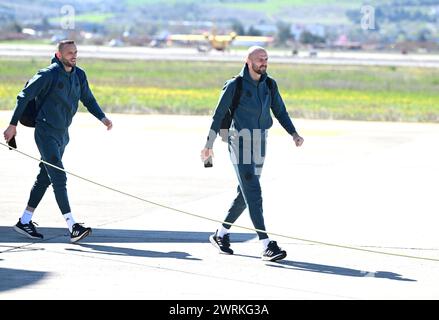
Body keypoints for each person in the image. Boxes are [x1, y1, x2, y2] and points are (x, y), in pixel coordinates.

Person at [3, 40, 113, 243]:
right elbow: (23, 97)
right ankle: (73, 226)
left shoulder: (79, 75)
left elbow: (88, 99)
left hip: (63, 134)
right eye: (70, 53)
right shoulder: (48, 74)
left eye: (76, 52)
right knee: (59, 177)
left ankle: (24, 221)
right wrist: (12, 125)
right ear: (59, 54)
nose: (74, 56)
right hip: (45, 133)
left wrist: (102, 117)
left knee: (45, 177)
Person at [200, 46, 304, 262]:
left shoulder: (269, 84)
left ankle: (221, 234)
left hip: (260, 141)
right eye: (259, 59)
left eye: (266, 59)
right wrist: (208, 145)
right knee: (254, 191)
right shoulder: (234, 85)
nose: (264, 63)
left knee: (245, 193)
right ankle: (266, 244)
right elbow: (218, 115)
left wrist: (293, 133)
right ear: (248, 61)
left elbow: (280, 111)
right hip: (240, 141)